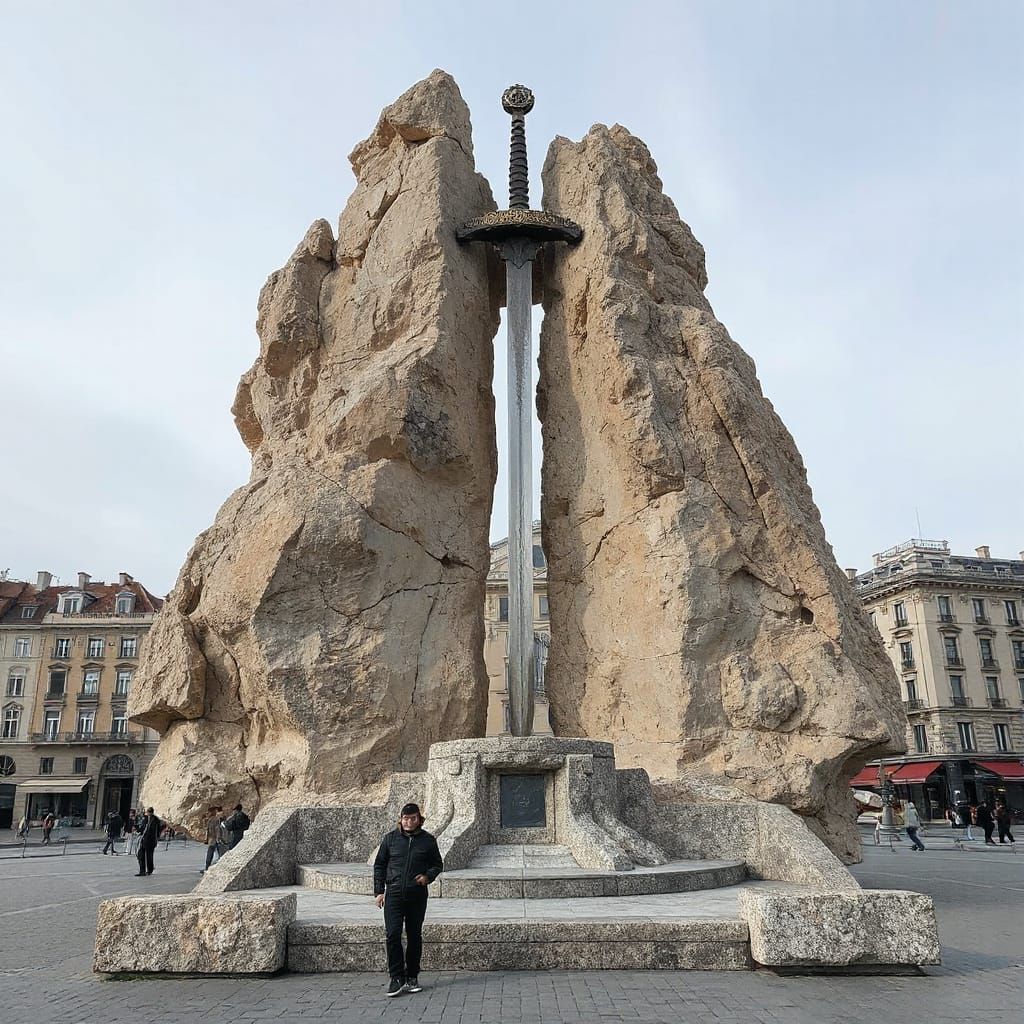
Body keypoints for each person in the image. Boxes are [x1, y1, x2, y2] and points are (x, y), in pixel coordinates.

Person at [373, 802, 443, 998]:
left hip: (416, 895)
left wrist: (427, 876)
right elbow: (379, 865)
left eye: (413, 818)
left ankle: (412, 976)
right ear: (400, 820)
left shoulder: (428, 841)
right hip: (393, 893)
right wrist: (379, 892)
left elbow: (437, 864)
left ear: (419, 820)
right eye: (405, 818)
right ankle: (396, 977)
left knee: (414, 936)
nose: (409, 822)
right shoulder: (390, 839)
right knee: (393, 934)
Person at [135, 806, 161, 876]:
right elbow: (143, 827)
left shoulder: (155, 820)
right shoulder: (145, 819)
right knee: (141, 855)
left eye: (148, 812)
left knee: (149, 856)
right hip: (144, 839)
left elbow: (157, 830)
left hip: (151, 840)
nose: (147, 813)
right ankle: (142, 871)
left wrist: (157, 838)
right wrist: (137, 829)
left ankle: (150, 870)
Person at [202, 805, 224, 872]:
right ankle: (221, 866)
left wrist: (206, 839)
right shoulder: (216, 819)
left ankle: (207, 867)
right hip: (215, 839)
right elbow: (217, 829)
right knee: (220, 853)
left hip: (211, 839)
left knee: (210, 853)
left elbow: (207, 830)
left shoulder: (209, 820)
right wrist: (219, 838)